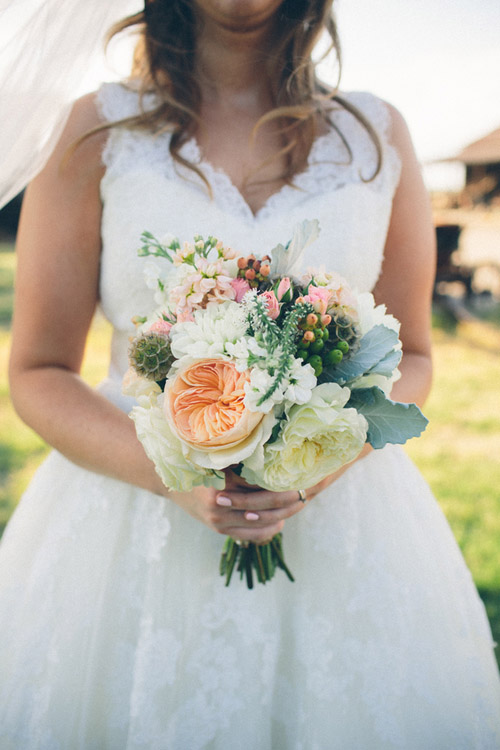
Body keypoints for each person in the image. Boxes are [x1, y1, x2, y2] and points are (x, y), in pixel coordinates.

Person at [1, 0, 499, 747]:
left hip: (343, 525)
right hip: (127, 530)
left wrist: (313, 461)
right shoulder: (94, 131)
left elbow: (415, 355)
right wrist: (180, 474)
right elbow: (38, 369)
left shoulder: (376, 136)